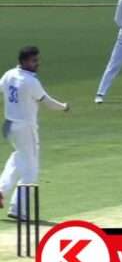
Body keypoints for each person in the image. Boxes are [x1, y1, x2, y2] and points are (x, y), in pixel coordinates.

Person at [0, 46, 69, 215]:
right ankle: (18, 209)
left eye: (37, 60)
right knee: (31, 169)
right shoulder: (30, 81)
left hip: (9, 126)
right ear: (24, 61)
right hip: (25, 128)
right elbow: (47, 102)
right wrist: (64, 107)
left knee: (19, 157)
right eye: (34, 61)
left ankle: (2, 189)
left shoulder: (9, 74)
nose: (37, 64)